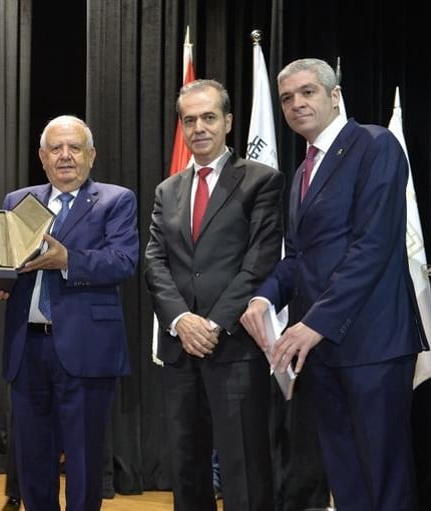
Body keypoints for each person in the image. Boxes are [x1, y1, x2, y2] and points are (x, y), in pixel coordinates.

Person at [240, 58, 428, 511]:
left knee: (384, 478)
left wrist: (313, 324)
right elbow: (298, 258)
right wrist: (264, 296)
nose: (296, 104)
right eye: (287, 98)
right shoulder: (302, 172)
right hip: (322, 351)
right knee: (346, 477)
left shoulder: (375, 145)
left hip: (373, 346)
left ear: (335, 95)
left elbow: (373, 247)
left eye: (308, 92)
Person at [144, 79, 283, 511]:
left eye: (208, 117)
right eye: (189, 120)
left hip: (235, 347)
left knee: (245, 470)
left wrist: (212, 324)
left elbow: (259, 261)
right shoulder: (167, 190)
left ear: (228, 121)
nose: (199, 128)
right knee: (186, 468)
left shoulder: (261, 180)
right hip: (180, 349)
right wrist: (181, 320)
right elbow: (155, 262)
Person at [0, 115, 139, 511]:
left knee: (84, 459)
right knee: (32, 459)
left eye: (75, 147)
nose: (65, 156)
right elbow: (6, 263)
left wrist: (69, 260)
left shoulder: (116, 200)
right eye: (55, 148)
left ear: (91, 155)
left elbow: (123, 261)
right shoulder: (17, 202)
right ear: (42, 157)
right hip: (27, 349)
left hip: (87, 348)